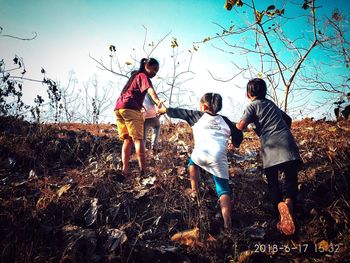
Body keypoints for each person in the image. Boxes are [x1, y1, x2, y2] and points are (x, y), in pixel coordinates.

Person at [158, 93, 243, 229]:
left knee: (192, 163)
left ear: (203, 106)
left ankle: (195, 192)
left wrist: (163, 110)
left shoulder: (196, 116)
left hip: (201, 154)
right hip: (219, 156)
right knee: (223, 190)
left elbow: (177, 112)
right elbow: (239, 133)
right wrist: (234, 144)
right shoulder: (226, 121)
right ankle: (228, 224)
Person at [235, 78, 301, 236]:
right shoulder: (271, 104)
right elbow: (288, 119)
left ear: (247, 93)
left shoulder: (252, 105)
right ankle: (289, 204)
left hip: (271, 148)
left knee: (273, 183)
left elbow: (241, 126)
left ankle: (280, 213)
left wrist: (235, 127)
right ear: (264, 92)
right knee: (291, 179)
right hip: (288, 144)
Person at [114, 58, 163, 177]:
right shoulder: (143, 76)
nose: (155, 73)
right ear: (147, 66)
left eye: (157, 71)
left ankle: (125, 171)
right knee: (138, 139)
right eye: (154, 69)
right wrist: (158, 102)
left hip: (119, 108)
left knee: (127, 140)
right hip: (130, 108)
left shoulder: (134, 76)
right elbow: (150, 90)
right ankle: (143, 171)